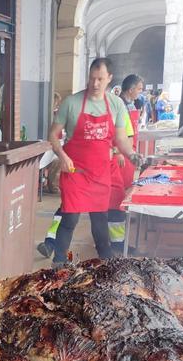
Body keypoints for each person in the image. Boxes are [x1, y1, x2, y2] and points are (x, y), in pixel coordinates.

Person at [46, 58, 134, 267]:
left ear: (109, 79)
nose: (95, 84)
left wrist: (135, 156)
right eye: (92, 78)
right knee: (70, 218)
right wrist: (63, 156)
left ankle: (106, 263)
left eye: (100, 79)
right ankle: (60, 262)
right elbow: (53, 134)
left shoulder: (116, 104)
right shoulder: (71, 103)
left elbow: (121, 139)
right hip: (75, 170)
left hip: (99, 173)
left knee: (99, 219)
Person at [108, 74, 145, 252]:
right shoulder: (117, 105)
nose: (140, 92)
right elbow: (115, 135)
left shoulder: (132, 105)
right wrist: (119, 151)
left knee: (124, 197)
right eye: (139, 88)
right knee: (116, 199)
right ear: (130, 89)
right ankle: (116, 241)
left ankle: (118, 238)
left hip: (128, 155)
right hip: (119, 158)